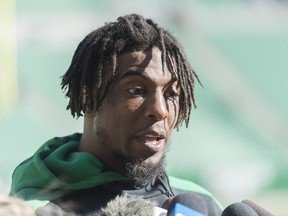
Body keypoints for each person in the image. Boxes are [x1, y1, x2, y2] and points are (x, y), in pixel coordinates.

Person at [9, 13, 223, 215]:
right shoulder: (37, 210)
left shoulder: (201, 202)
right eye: (136, 91)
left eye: (171, 94)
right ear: (89, 98)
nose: (160, 110)